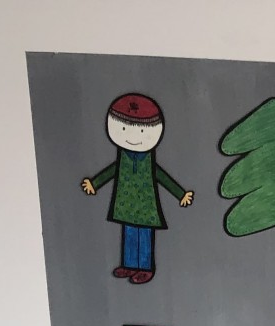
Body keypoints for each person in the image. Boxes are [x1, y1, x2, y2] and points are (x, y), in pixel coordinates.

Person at [80, 93, 193, 284]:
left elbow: (161, 176)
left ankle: (145, 267)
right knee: (130, 234)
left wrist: (180, 194)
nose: (133, 138)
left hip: (146, 204)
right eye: (124, 129)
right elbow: (112, 171)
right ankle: (130, 264)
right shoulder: (123, 156)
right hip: (126, 203)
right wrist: (95, 183)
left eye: (141, 131)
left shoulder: (148, 160)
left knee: (144, 236)